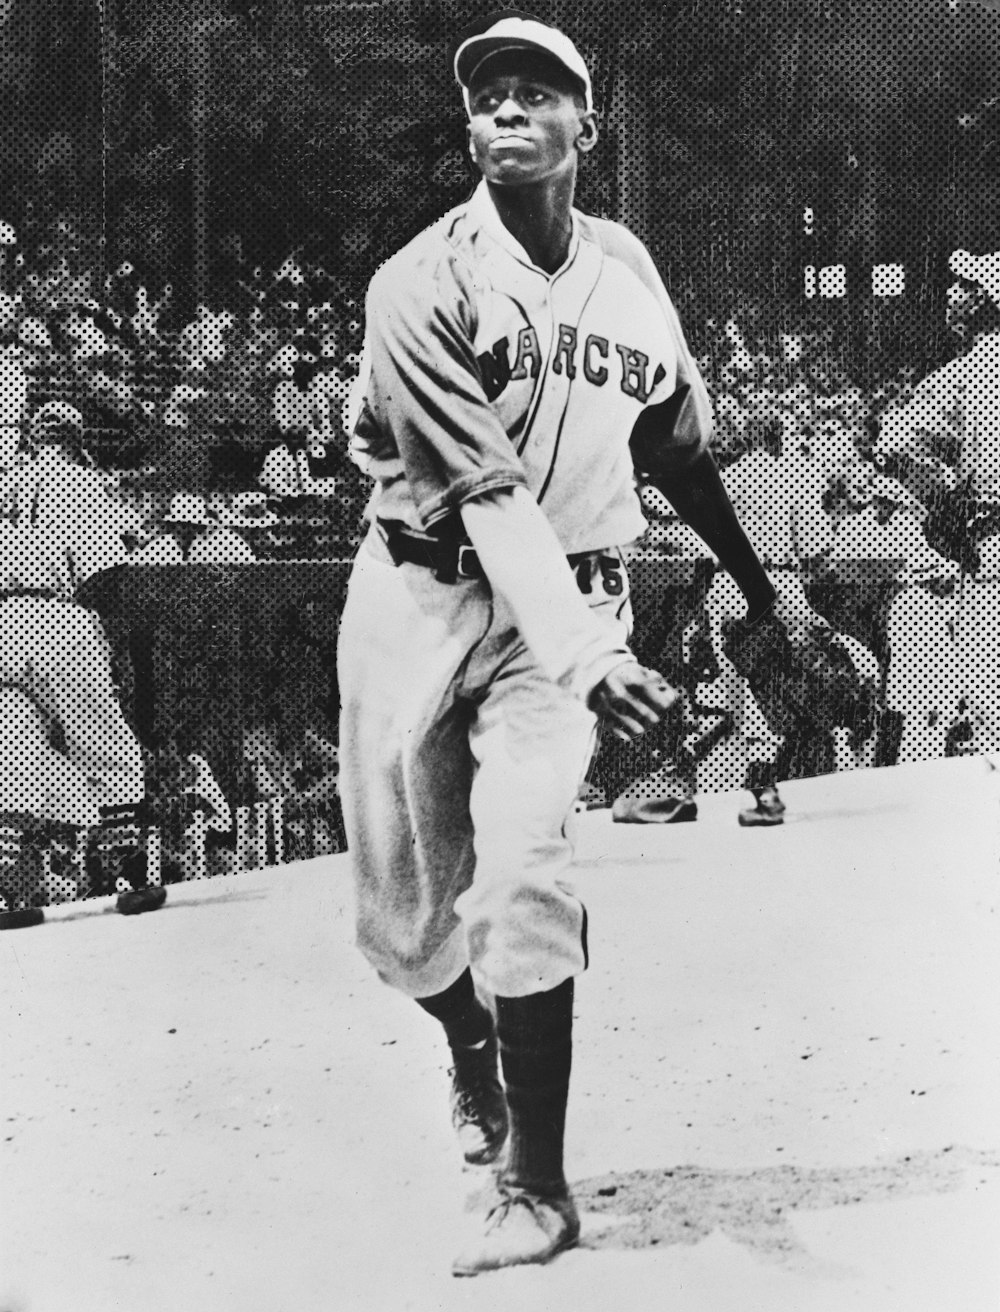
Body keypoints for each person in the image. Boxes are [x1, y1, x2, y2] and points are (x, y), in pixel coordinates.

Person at [338, 14, 827, 1276]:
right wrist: (591, 657)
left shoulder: (626, 270)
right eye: (486, 93)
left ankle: (537, 1187)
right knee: (403, 920)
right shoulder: (418, 282)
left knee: (523, 871)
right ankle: (466, 1046)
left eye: (533, 92)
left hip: (574, 608)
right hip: (419, 596)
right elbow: (488, 500)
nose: (503, 109)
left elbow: (674, 447)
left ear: (582, 129)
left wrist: (759, 586)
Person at [0, 403, 162, 926]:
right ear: (75, 438)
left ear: (30, 436)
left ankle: (12, 892)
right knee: (105, 743)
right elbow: (105, 577)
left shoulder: (9, 482)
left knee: (14, 751)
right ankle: (130, 877)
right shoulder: (81, 480)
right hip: (56, 617)